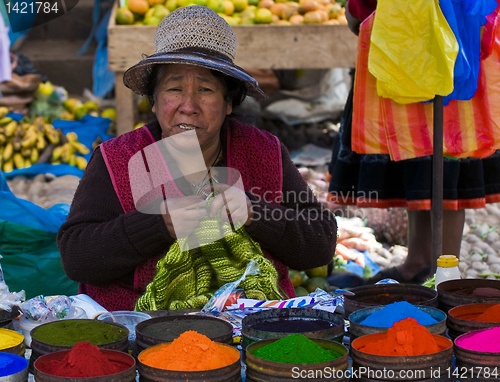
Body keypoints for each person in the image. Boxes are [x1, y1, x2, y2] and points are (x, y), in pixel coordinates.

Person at [57, 6, 337, 311]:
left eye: (205, 90)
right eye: (174, 89)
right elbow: (76, 258)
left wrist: (257, 215)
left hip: (249, 323)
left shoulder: (264, 150)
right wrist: (157, 225)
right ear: (154, 102)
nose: (188, 106)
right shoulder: (117, 159)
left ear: (229, 103)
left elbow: (320, 243)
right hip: (143, 327)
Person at [328, 0, 500, 286]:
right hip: (439, 32)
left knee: (441, 147)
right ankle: (423, 263)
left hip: (421, 35)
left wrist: (358, 8)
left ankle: (443, 270)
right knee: (427, 149)